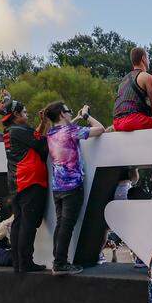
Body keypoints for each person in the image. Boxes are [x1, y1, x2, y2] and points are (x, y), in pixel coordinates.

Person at [40, 101, 105, 275]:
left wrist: (75, 117)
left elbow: (66, 131)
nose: (70, 114)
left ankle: (58, 261)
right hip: (72, 186)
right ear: (62, 114)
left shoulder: (51, 132)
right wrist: (86, 116)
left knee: (61, 224)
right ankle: (60, 263)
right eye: (68, 111)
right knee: (66, 226)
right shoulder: (70, 131)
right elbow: (100, 129)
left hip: (58, 187)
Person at [2, 101, 48, 273]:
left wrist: (43, 123)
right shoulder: (19, 130)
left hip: (17, 182)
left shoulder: (10, 131)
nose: (28, 115)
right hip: (30, 180)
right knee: (27, 224)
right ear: (16, 114)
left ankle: (18, 263)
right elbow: (42, 144)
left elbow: (34, 137)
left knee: (19, 222)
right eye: (25, 112)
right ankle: (26, 262)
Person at [113, 47, 152, 132]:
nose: (148, 61)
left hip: (116, 122)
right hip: (133, 120)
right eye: (148, 58)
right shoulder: (146, 77)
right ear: (143, 59)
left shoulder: (123, 80)